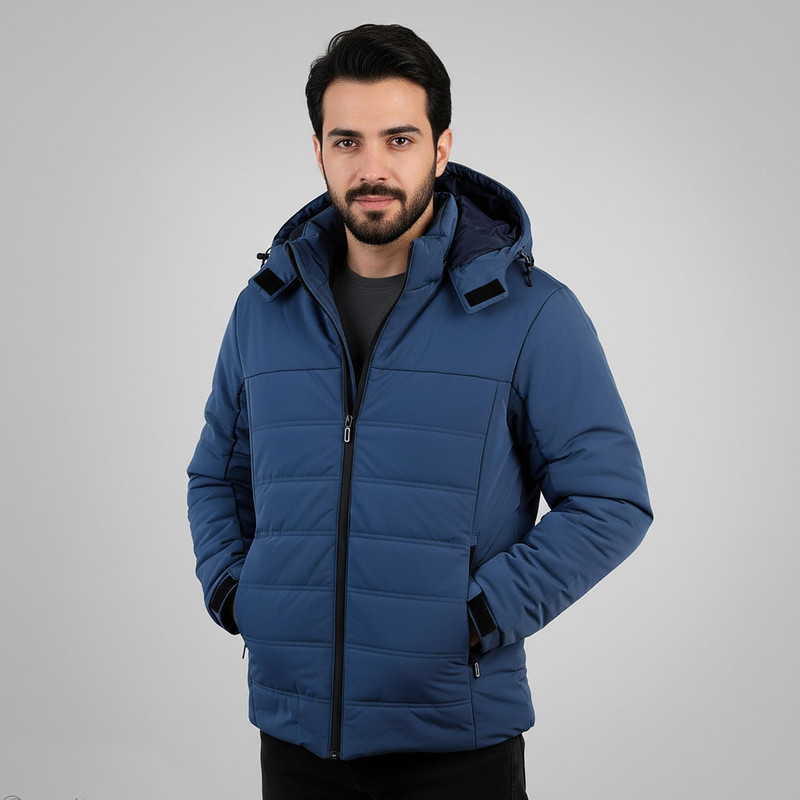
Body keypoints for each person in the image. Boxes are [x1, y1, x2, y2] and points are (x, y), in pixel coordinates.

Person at [187, 23, 652, 800]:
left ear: (441, 149)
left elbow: (611, 501)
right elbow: (216, 476)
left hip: (455, 745)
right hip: (295, 739)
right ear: (318, 151)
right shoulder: (264, 310)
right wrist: (240, 594)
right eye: (347, 142)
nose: (372, 168)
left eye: (399, 139)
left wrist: (475, 616)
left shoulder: (533, 314)